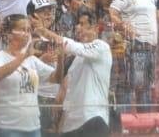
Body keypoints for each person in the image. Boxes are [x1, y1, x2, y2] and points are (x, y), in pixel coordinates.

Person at [35, 8, 113, 137]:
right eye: (77, 24)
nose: (77, 27)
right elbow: (66, 89)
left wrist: (44, 31)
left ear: (95, 28)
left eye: (82, 24)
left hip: (93, 118)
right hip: (71, 126)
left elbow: (70, 45)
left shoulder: (101, 47)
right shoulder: (76, 60)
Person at [0, 13, 56, 137]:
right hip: (8, 128)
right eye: (23, 30)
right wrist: (24, 56)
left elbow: (55, 77)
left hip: (33, 127)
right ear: (9, 34)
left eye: (29, 30)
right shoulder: (0, 56)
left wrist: (62, 56)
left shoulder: (31, 59)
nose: (27, 34)